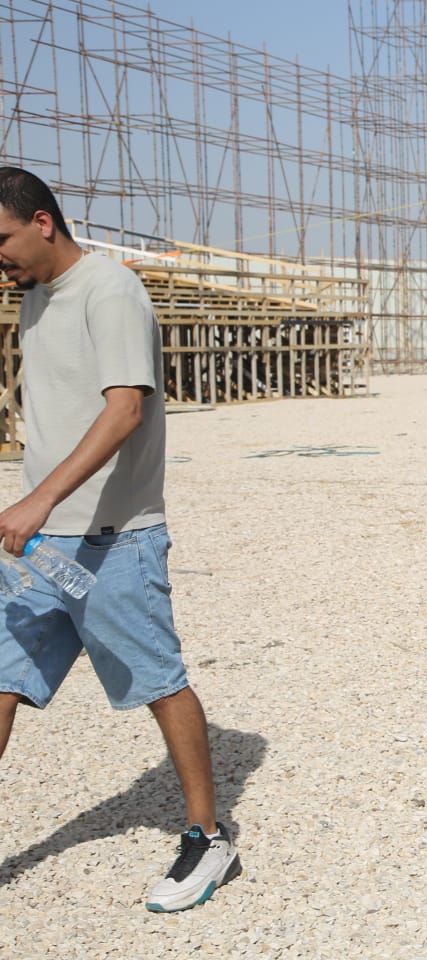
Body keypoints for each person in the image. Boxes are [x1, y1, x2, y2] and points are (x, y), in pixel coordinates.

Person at [0, 166, 241, 912]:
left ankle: (209, 837)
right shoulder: (34, 297)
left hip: (113, 542)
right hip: (40, 549)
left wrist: (38, 497)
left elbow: (124, 410)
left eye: (1, 238)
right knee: (2, 681)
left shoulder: (110, 291)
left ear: (42, 222)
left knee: (158, 683)